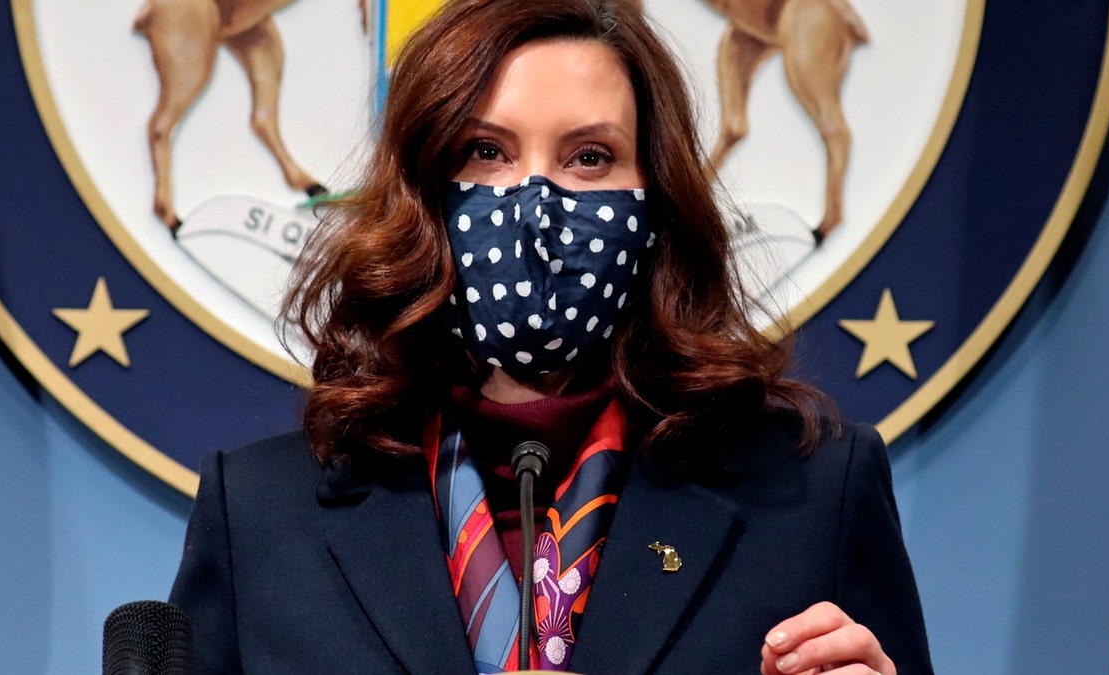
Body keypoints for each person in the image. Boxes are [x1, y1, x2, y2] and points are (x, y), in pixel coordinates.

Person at [169, 0, 933, 673]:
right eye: (486, 152)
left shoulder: (812, 497)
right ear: (421, 196)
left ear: (657, 203)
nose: (536, 206)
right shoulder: (261, 514)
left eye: (589, 158)